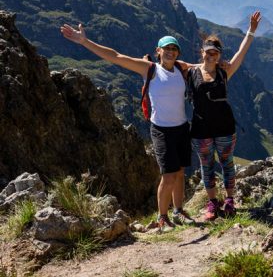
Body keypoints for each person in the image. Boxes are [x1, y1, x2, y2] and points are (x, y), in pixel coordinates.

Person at [59, 24, 196, 232]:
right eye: (166, 48)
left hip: (181, 127)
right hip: (162, 130)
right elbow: (115, 56)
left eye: (174, 49)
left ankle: (178, 210)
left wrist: (223, 58)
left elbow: (204, 67)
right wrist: (84, 41)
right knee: (168, 175)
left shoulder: (180, 67)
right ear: (157, 51)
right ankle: (162, 217)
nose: (170, 52)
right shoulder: (149, 69)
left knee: (179, 172)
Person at [189, 11, 261, 220]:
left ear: (219, 55)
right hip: (201, 130)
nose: (211, 56)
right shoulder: (190, 72)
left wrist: (251, 31)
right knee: (206, 167)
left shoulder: (224, 72)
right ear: (202, 52)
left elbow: (241, 52)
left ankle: (229, 201)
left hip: (224, 128)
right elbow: (168, 66)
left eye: (215, 53)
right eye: (208, 52)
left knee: (227, 164)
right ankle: (213, 203)